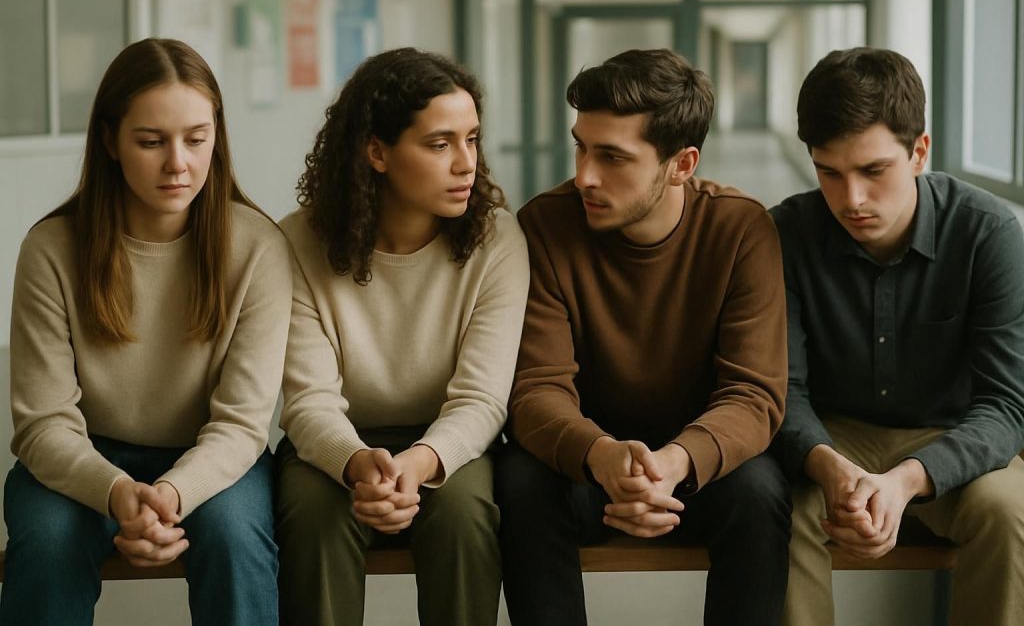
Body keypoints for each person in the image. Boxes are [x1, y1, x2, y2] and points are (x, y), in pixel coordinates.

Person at [0, 38, 290, 625]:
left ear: (217, 138)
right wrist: (116, 492)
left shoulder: (259, 247)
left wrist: (171, 494)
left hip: (213, 452)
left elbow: (242, 423)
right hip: (84, 452)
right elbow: (42, 422)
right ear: (110, 141)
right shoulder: (51, 249)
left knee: (236, 537)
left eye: (196, 139)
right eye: (151, 141)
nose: (177, 163)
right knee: (50, 540)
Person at [497, 48, 791, 625]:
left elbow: (754, 394)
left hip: (697, 470)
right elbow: (535, 389)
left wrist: (677, 462)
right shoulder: (545, 225)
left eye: (612, 157)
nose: (585, 175)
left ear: (681, 164)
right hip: (587, 465)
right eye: (581, 147)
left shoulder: (740, 228)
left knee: (760, 489)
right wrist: (601, 455)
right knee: (520, 478)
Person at [275, 47, 529, 626]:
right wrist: (355, 462)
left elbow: (482, 398)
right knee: (313, 515)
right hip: (337, 442)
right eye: (440, 144)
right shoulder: (296, 243)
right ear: (377, 152)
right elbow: (308, 400)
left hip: (450, 440)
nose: (466, 163)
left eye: (472, 139)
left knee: (464, 515)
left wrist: (419, 463)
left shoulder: (498, 240)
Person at [770, 47, 1024, 626]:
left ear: (919, 152)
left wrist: (908, 479)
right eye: (829, 173)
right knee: (774, 505)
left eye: (873, 170)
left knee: (1011, 512)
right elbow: (783, 390)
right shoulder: (785, 232)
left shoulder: (986, 232)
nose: (851, 199)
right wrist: (830, 467)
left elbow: (1007, 405)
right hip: (831, 438)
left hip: (953, 436)